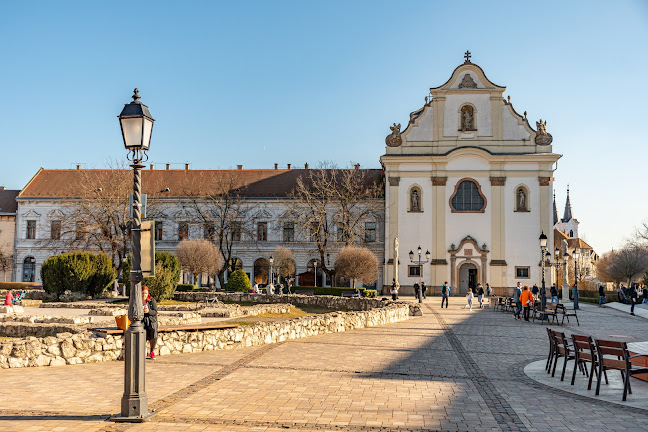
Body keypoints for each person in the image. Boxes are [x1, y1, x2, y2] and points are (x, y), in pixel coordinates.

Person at [142, 286, 158, 359]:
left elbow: (155, 312)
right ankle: (141, 351)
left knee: (153, 330)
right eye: (142, 293)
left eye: (145, 293)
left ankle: (152, 351)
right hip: (142, 319)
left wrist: (148, 311)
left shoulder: (152, 301)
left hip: (151, 319)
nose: (144, 295)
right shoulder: (138, 301)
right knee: (140, 332)